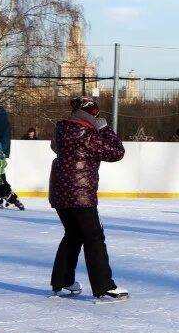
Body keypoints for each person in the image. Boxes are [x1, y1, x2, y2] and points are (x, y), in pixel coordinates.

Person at [49, 96, 128, 300]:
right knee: (94, 237)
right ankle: (104, 286)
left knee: (73, 234)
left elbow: (56, 148)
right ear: (92, 113)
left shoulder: (61, 129)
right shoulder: (88, 133)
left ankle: (62, 281)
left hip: (59, 191)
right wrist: (105, 129)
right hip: (81, 193)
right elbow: (117, 152)